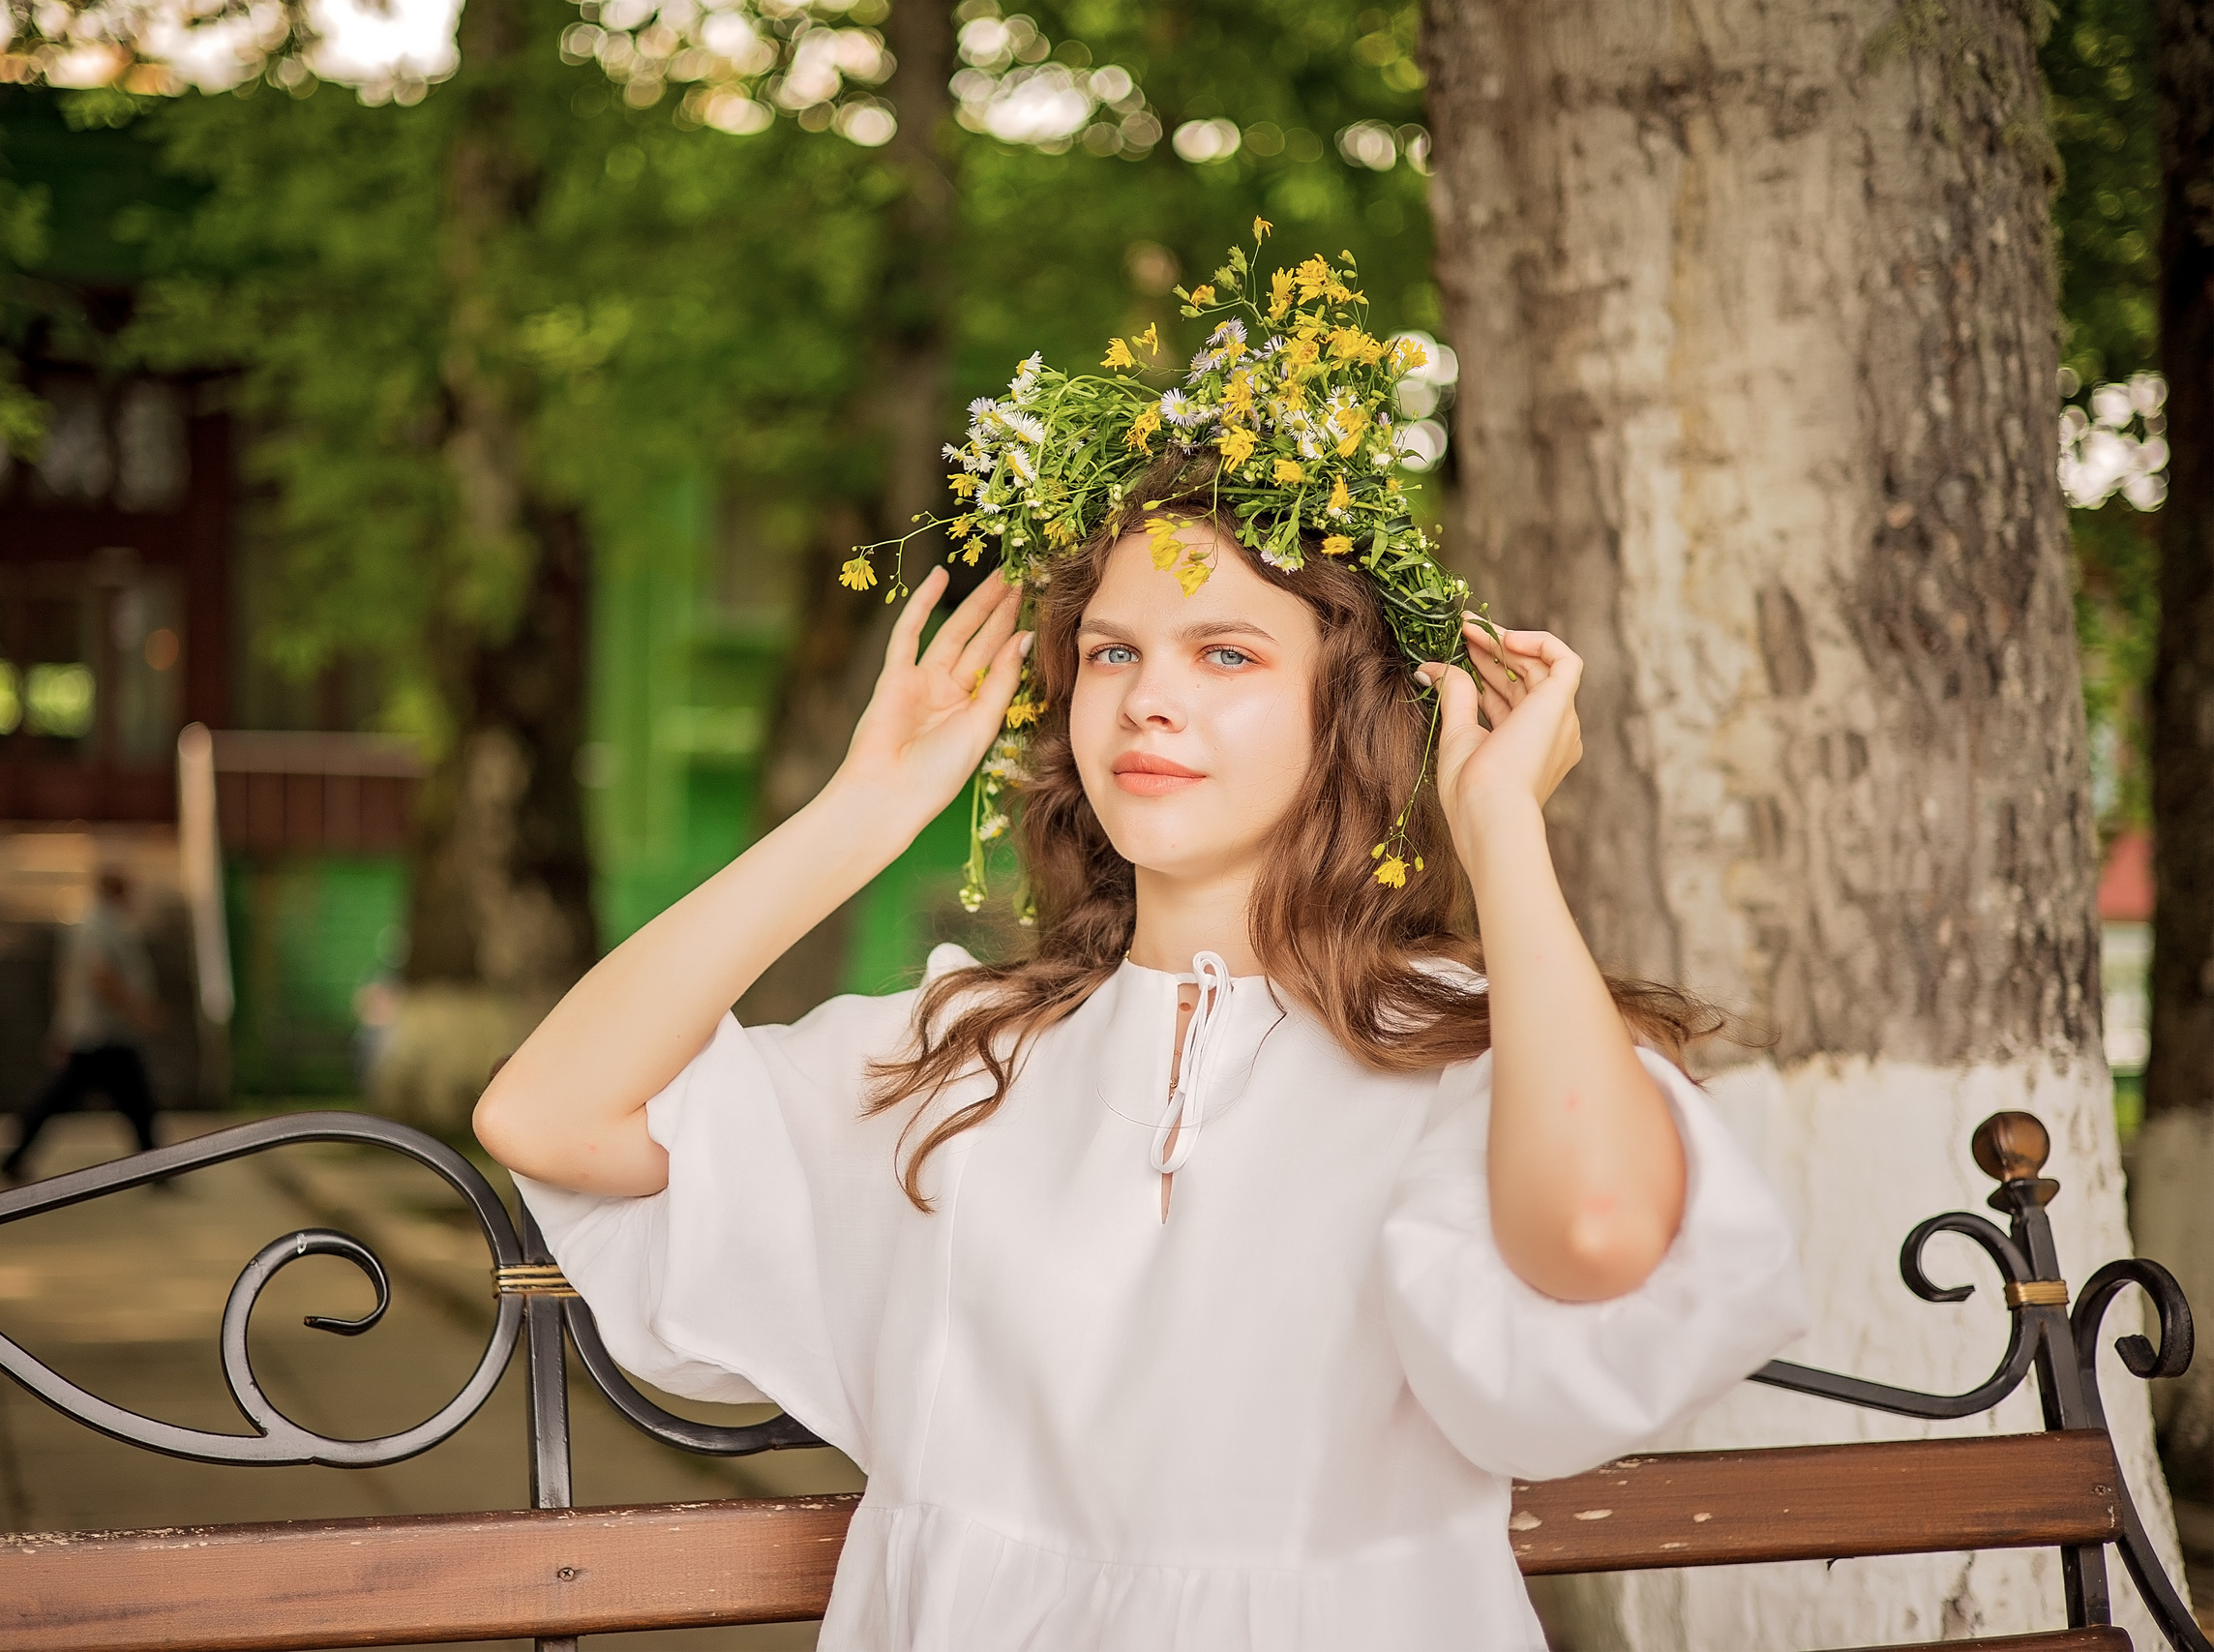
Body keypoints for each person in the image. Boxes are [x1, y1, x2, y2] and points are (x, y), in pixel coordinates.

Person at [474, 240, 1808, 1649]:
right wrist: (862, 810)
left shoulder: (1478, 1047)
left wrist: (1502, 831)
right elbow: (546, 1116)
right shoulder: (962, 1049)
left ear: (1346, 712)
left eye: (1226, 653)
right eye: (1113, 651)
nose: (1148, 700)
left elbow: (1595, 1235)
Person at [0, 867, 165, 1182]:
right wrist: (139, 1011)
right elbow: (102, 978)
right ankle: (156, 1168)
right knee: (117, 1101)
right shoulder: (101, 925)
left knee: (133, 1103)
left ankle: (156, 1167)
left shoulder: (95, 923)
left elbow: (65, 979)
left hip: (99, 1033)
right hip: (101, 1034)